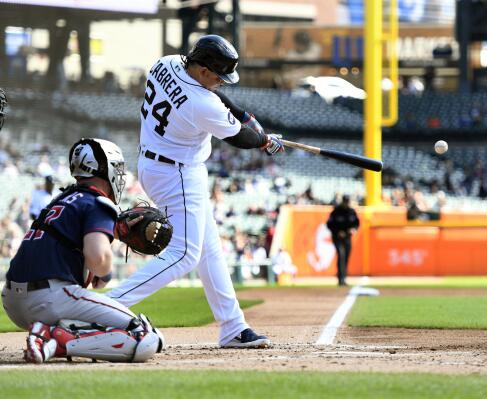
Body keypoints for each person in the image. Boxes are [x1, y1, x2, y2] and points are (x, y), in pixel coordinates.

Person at [106, 34, 283, 348]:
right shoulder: (202, 103)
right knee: (185, 255)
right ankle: (105, 306)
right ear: (203, 70)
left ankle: (232, 327)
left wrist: (247, 118)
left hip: (153, 162)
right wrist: (264, 140)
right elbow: (242, 139)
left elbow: (223, 103)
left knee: (208, 248)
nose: (221, 83)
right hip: (178, 172)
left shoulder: (167, 62)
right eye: (218, 76)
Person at [1, 138, 164, 364]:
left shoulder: (62, 199)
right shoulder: (98, 202)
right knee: (146, 336)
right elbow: (98, 259)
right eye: (117, 168)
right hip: (49, 298)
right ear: (105, 169)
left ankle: (46, 340)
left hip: (12, 302)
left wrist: (112, 234)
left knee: (106, 324)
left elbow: (63, 242)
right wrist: (104, 269)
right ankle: (54, 341)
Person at [326, 194, 359, 286]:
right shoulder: (336, 211)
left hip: (347, 238)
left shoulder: (352, 212)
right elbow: (329, 224)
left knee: (346, 256)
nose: (346, 203)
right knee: (341, 255)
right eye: (345, 201)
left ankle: (344, 276)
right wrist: (338, 232)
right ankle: (341, 278)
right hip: (337, 238)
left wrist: (354, 229)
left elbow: (356, 224)